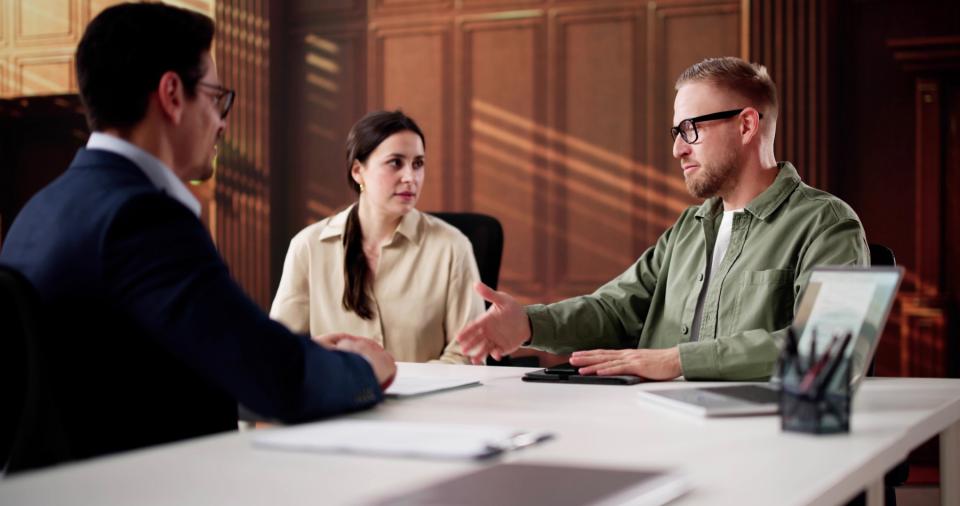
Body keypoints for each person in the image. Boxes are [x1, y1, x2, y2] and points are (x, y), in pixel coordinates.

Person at [0, 2, 394, 465]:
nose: (222, 121)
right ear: (171, 94)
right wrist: (365, 368)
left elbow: (172, 362)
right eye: (215, 98)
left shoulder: (40, 208)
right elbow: (280, 383)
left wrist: (293, 353)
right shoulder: (142, 217)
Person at [456, 56, 869, 381]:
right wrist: (527, 324)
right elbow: (614, 311)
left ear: (746, 125)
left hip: (759, 443)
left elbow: (831, 348)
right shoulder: (688, 230)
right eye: (676, 132)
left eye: (690, 129)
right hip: (654, 426)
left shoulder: (828, 224)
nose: (678, 150)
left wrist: (678, 360)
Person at [270, 110, 484, 364]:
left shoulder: (452, 246)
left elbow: (468, 355)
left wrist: (401, 386)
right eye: (396, 162)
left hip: (428, 403)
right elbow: (280, 350)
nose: (410, 177)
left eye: (418, 164)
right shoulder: (308, 247)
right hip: (342, 401)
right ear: (358, 171)